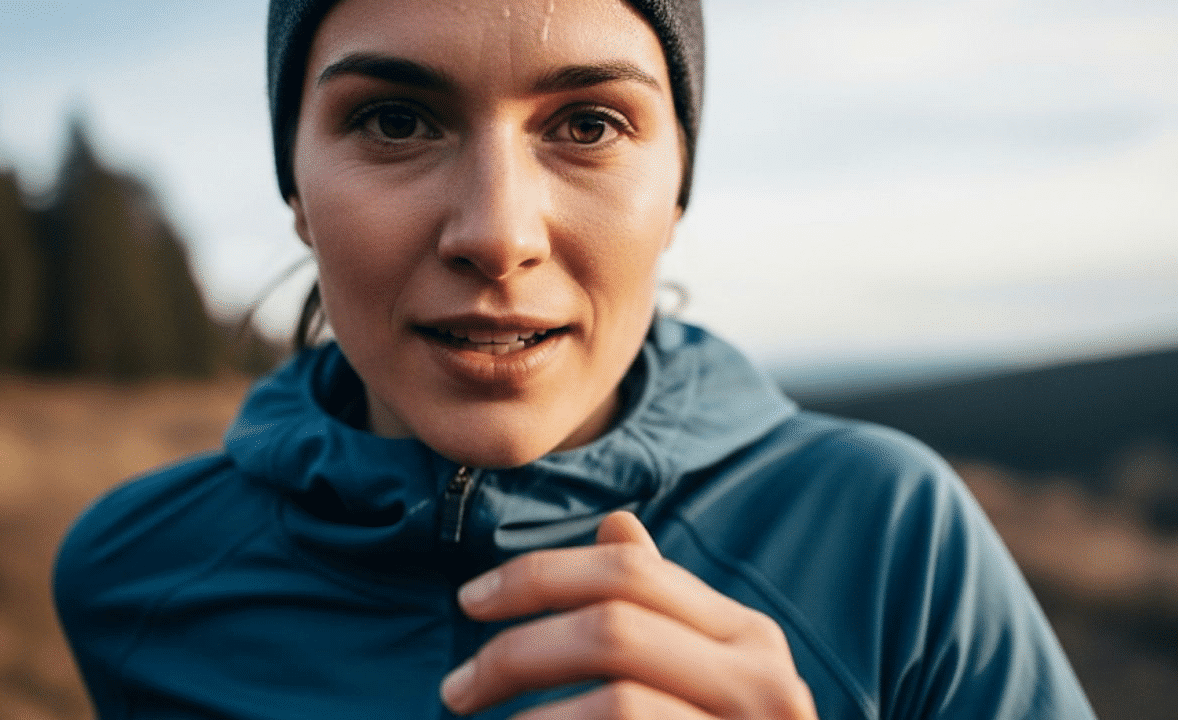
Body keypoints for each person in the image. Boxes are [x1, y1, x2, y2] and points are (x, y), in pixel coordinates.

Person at [53, 0, 1098, 717]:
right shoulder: (134, 573)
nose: (497, 233)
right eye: (395, 118)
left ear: (676, 190)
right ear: (296, 191)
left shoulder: (889, 537)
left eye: (588, 124)